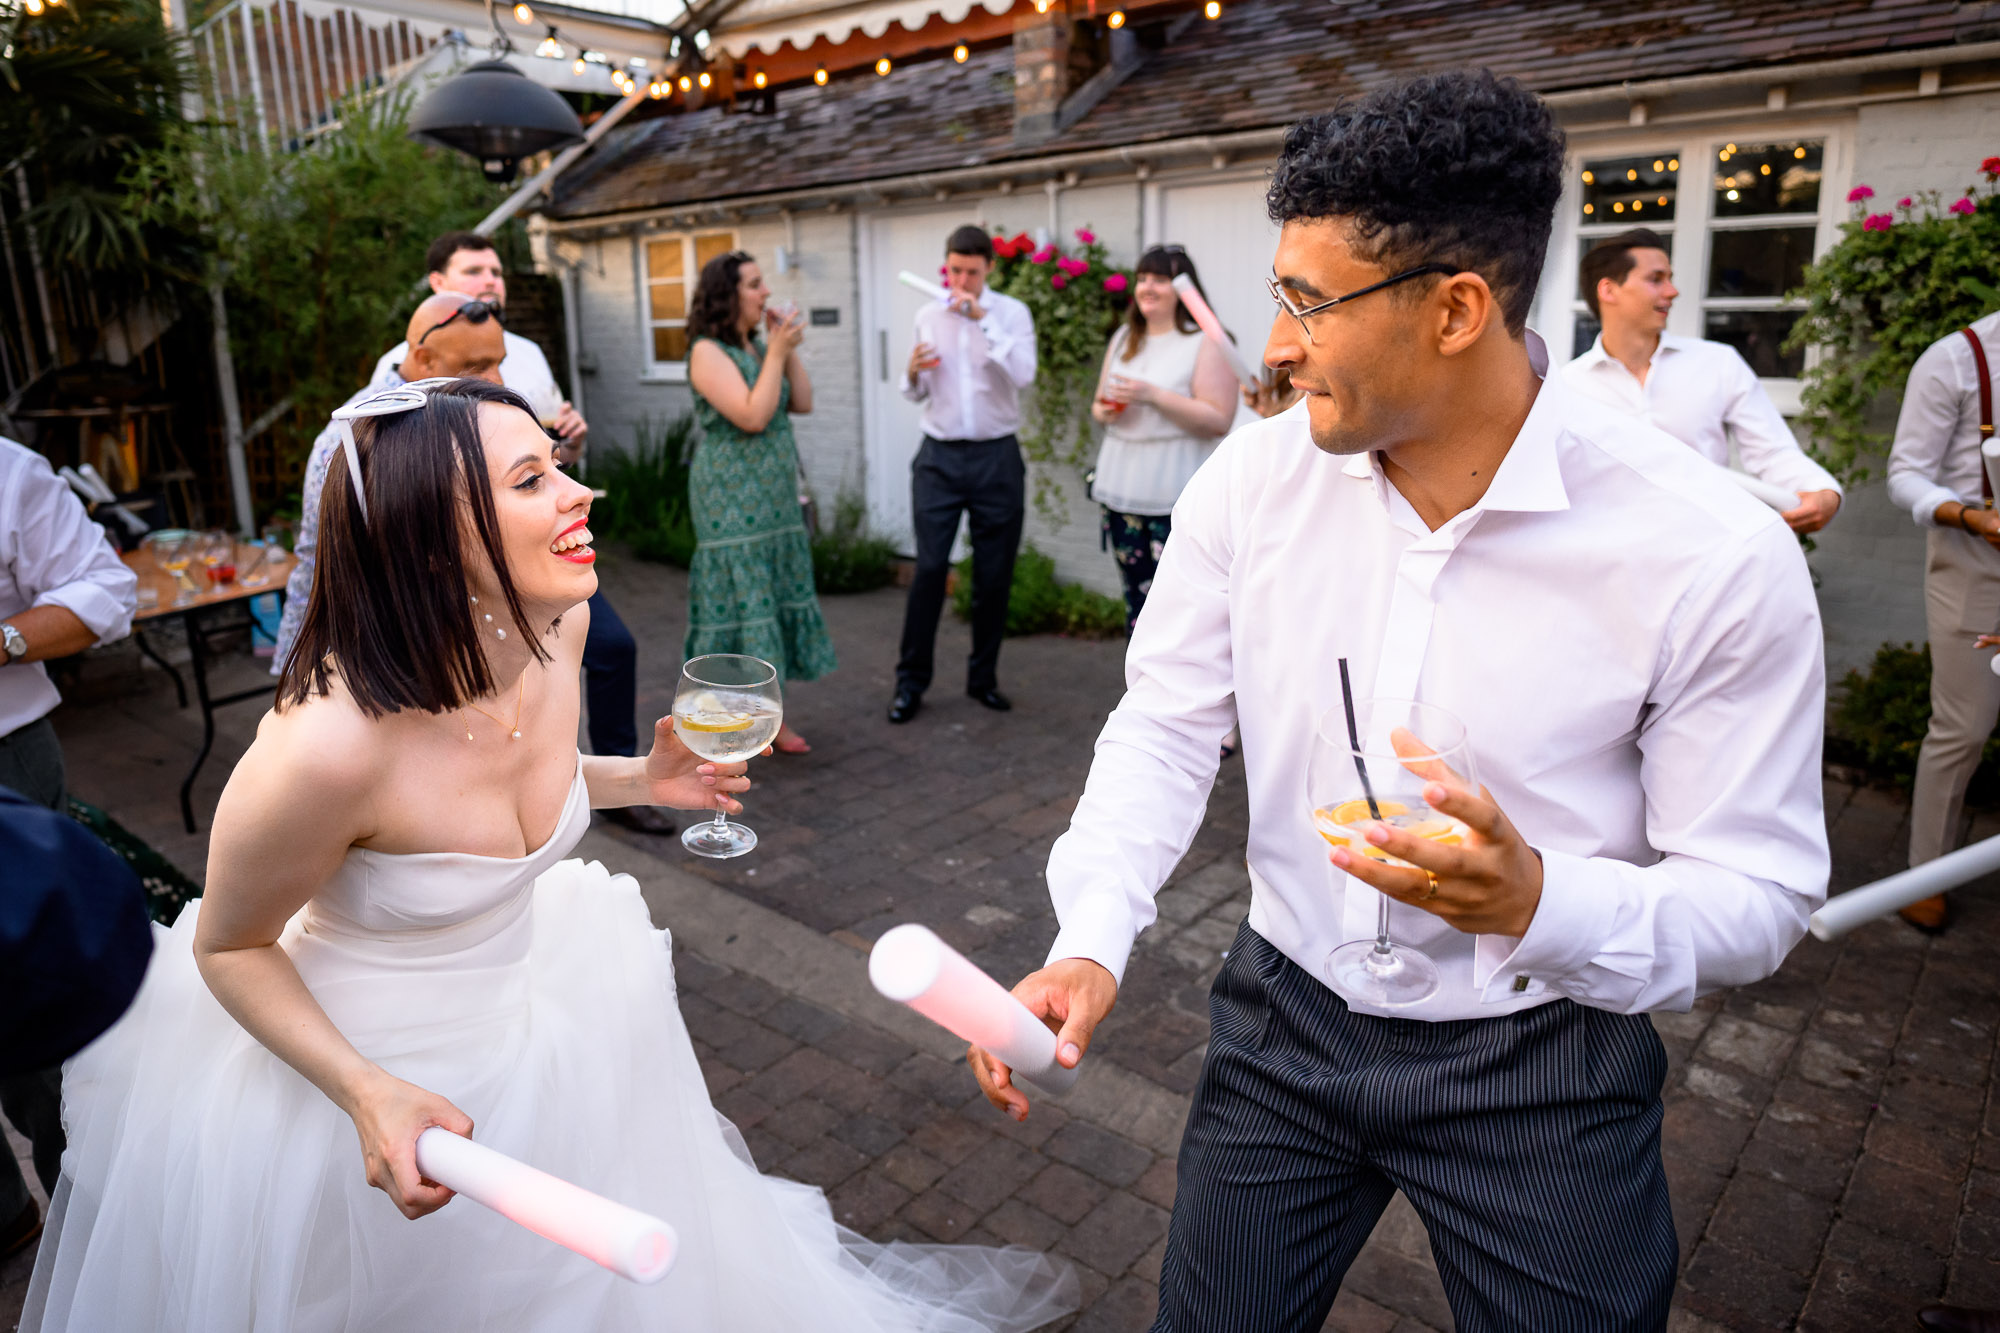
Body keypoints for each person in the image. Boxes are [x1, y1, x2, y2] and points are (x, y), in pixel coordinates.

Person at [969, 71, 1828, 1332]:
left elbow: (1759, 893)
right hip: (1281, 1024)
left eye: (1309, 303)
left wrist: (1541, 899)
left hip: (1544, 1055)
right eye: (1280, 295)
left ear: (1455, 309)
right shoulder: (1248, 486)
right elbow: (1162, 722)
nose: (1273, 345)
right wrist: (1091, 933)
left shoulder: (1708, 552)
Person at [24, 378, 1076, 1332]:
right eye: (532, 478)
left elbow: (517, 781)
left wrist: (636, 779)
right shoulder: (321, 749)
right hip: (364, 1074)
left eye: (557, 464)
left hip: (541, 1023)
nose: (583, 493)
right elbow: (231, 945)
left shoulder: (554, 628)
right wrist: (362, 1090)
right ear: (429, 540)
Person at [371, 231, 671, 833]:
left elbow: (538, 454)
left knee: (607, 646)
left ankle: (601, 783)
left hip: (535, 548)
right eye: (474, 269)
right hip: (456, 575)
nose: (491, 280)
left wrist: (565, 450)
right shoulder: (387, 399)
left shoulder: (528, 352)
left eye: (497, 270)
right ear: (436, 286)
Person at [0, 435, 138, 1261]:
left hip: (5, 761)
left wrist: (3, 638)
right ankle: (5, 1211)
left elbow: (106, 589)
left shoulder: (8, 472)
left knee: (30, 1023)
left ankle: (97, 1245)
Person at [1561, 227, 1843, 534]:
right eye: (1656, 279)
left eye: (1670, 278)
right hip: (1610, 554)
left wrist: (1820, 489)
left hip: (1708, 547)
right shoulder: (1568, 386)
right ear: (1609, 290)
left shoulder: (1717, 363)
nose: (1673, 291)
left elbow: (1771, 450)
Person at [684, 250, 836, 752]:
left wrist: (783, 347)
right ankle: (733, 717)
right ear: (727, 295)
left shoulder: (753, 347)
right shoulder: (707, 351)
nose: (765, 292)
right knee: (742, 603)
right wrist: (775, 352)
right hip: (731, 499)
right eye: (754, 284)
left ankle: (769, 717)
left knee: (769, 597)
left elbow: (803, 402)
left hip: (772, 499)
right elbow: (751, 415)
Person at [890, 225, 1036, 725]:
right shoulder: (928, 315)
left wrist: (983, 324)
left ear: (989, 268)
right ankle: (910, 684)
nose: (962, 280)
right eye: (955, 270)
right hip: (939, 459)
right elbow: (917, 392)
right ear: (946, 266)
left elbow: (1024, 374)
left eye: (972, 271)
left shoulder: (1012, 314)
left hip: (997, 457)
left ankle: (983, 680)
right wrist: (911, 371)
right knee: (929, 570)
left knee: (993, 577)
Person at [1884, 309, 2000, 933]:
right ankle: (1925, 873)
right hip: (1976, 560)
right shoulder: (1957, 358)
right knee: (1965, 726)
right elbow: (1905, 475)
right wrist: (1968, 516)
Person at [1088, 244, 1236, 631]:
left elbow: (1219, 418)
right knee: (1136, 605)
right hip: (1121, 487)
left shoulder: (1206, 340)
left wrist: (1152, 396)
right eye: (1142, 278)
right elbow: (1099, 407)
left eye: (1160, 279)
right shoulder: (1124, 337)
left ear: (1184, 289)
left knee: (1182, 613)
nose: (1147, 287)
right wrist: (1107, 410)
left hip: (1175, 492)